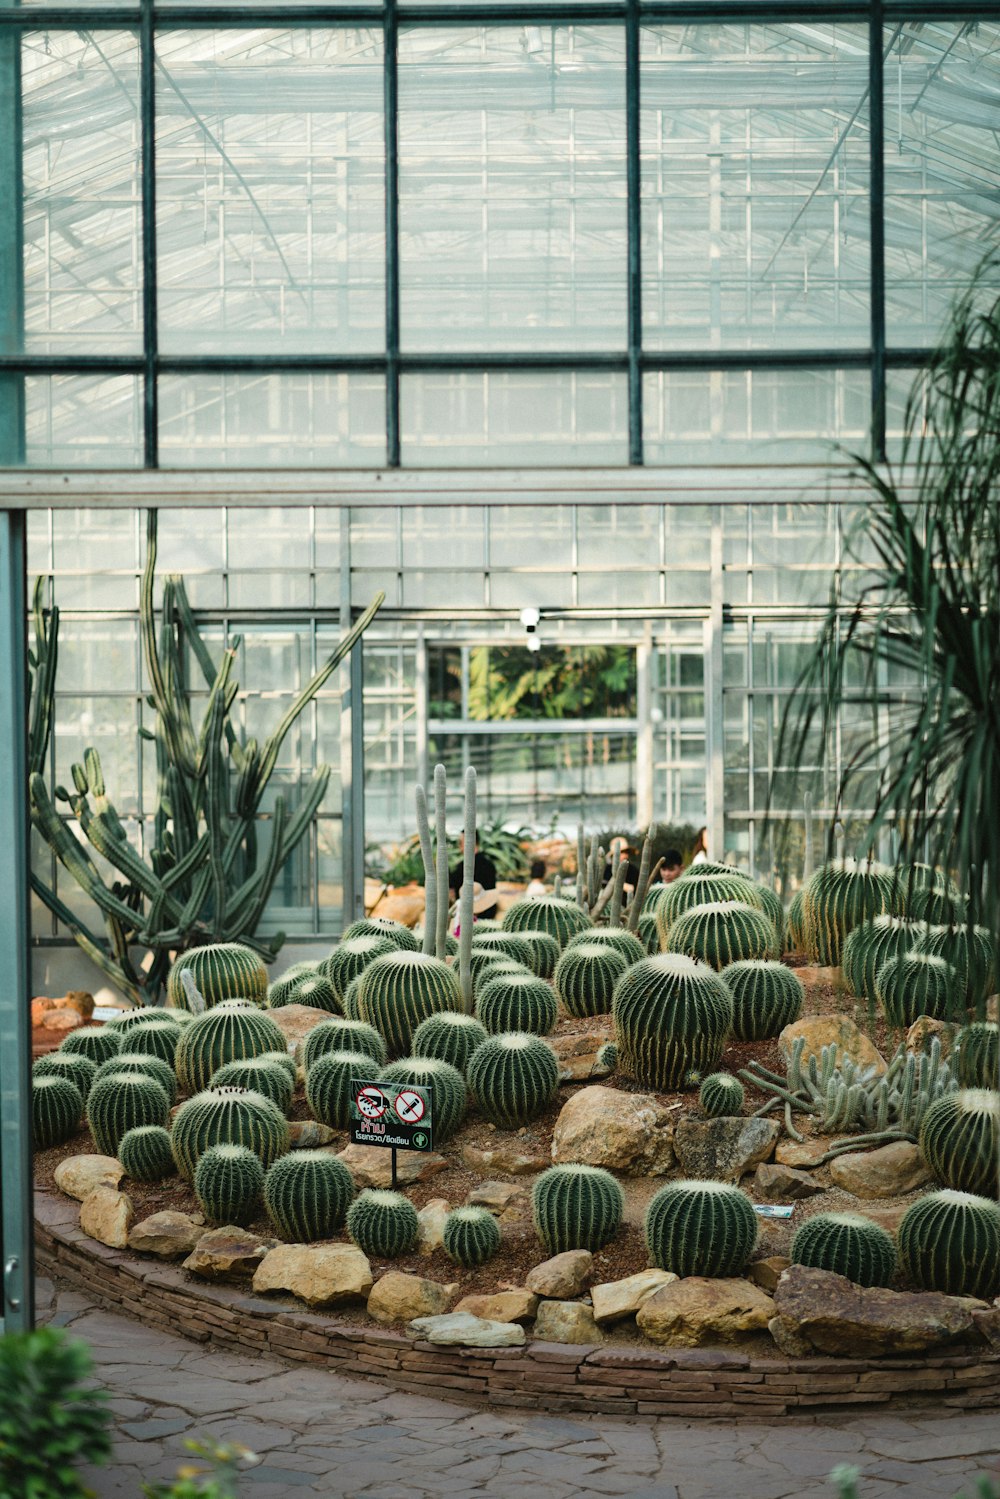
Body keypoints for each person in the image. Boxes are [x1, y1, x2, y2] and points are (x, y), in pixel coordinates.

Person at [449, 830, 498, 921]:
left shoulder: (463, 867)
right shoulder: (490, 864)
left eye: (461, 843)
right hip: (489, 913)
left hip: (468, 917)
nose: (460, 848)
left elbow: (450, 886)